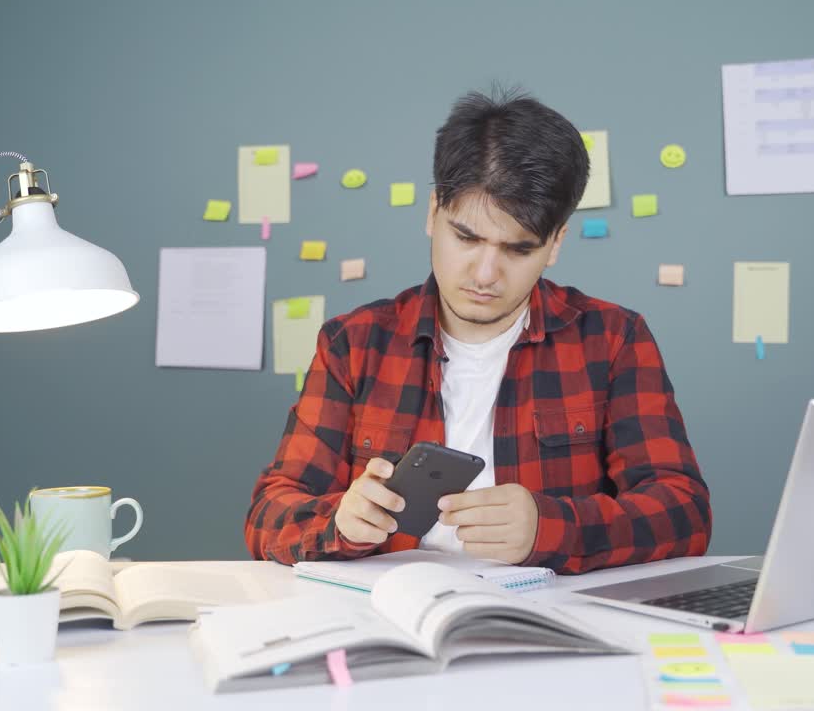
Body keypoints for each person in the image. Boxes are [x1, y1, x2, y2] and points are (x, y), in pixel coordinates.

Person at [245, 89, 710, 574]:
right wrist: (338, 524)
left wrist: (548, 528)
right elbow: (267, 516)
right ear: (432, 214)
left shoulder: (614, 339)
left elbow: (686, 514)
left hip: (549, 621)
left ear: (555, 244)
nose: (485, 274)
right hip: (388, 615)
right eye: (466, 238)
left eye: (518, 249)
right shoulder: (353, 344)